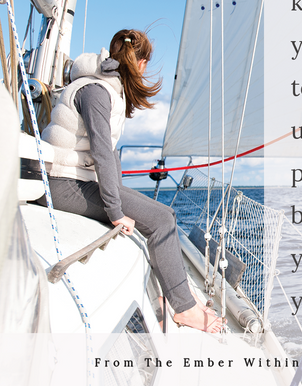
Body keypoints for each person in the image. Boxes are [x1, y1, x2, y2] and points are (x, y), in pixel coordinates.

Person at [39, 29, 222, 333]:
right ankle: (186, 309)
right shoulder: (97, 91)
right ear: (140, 62)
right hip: (62, 183)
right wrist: (116, 211)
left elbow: (107, 152)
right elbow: (101, 152)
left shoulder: (104, 87)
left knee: (166, 215)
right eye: (146, 64)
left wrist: (119, 197)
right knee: (163, 218)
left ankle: (172, 294)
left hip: (71, 180)